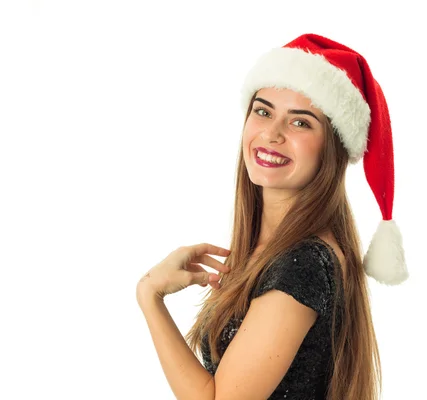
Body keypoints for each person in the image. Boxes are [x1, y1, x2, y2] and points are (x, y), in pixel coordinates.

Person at [138, 33, 408, 400]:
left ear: (332, 149)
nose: (272, 133)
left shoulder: (304, 264)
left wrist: (150, 295)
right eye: (263, 111)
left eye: (300, 123)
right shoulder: (273, 250)